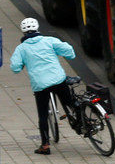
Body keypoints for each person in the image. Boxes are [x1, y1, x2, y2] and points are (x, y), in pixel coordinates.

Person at [9, 18, 76, 155]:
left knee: (43, 114)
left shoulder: (21, 49)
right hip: (58, 80)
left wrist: (22, 65)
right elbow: (68, 50)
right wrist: (68, 55)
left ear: (23, 31)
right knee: (70, 102)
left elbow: (15, 67)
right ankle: (82, 121)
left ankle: (45, 145)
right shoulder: (49, 41)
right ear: (38, 27)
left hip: (40, 85)